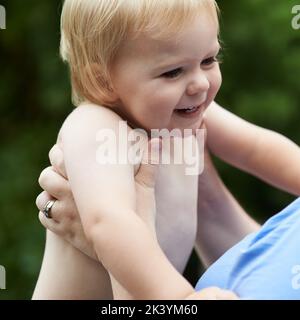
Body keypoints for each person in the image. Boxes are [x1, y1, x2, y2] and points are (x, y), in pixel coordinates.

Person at [33, 0, 300, 299]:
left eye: (209, 60)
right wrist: (181, 298)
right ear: (102, 79)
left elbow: (256, 148)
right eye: (173, 72)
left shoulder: (187, 112)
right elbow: (109, 221)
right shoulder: (96, 128)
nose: (199, 83)